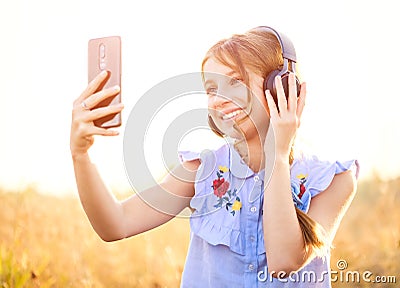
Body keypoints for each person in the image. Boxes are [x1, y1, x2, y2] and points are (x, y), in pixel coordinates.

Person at [70, 26, 359, 287]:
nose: (219, 99)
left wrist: (277, 155)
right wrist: (81, 155)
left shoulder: (334, 181)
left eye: (235, 81)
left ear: (282, 88)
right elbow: (115, 223)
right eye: (211, 89)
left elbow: (284, 262)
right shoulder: (202, 171)